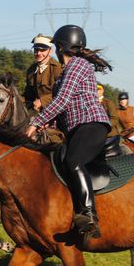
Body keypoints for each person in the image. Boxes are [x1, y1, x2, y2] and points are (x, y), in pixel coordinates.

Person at [26, 24, 112, 239]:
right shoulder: (64, 73)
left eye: (55, 46)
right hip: (75, 129)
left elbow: (62, 101)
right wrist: (48, 124)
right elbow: (61, 109)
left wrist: (37, 122)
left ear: (61, 47)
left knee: (73, 161)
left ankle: (89, 215)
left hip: (91, 124)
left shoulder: (78, 65)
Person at [23, 34, 63, 112]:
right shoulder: (31, 70)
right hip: (36, 113)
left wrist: (42, 101)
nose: (38, 53)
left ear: (50, 51)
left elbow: (62, 94)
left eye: (42, 50)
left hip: (56, 113)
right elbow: (28, 96)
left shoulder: (58, 68)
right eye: (36, 50)